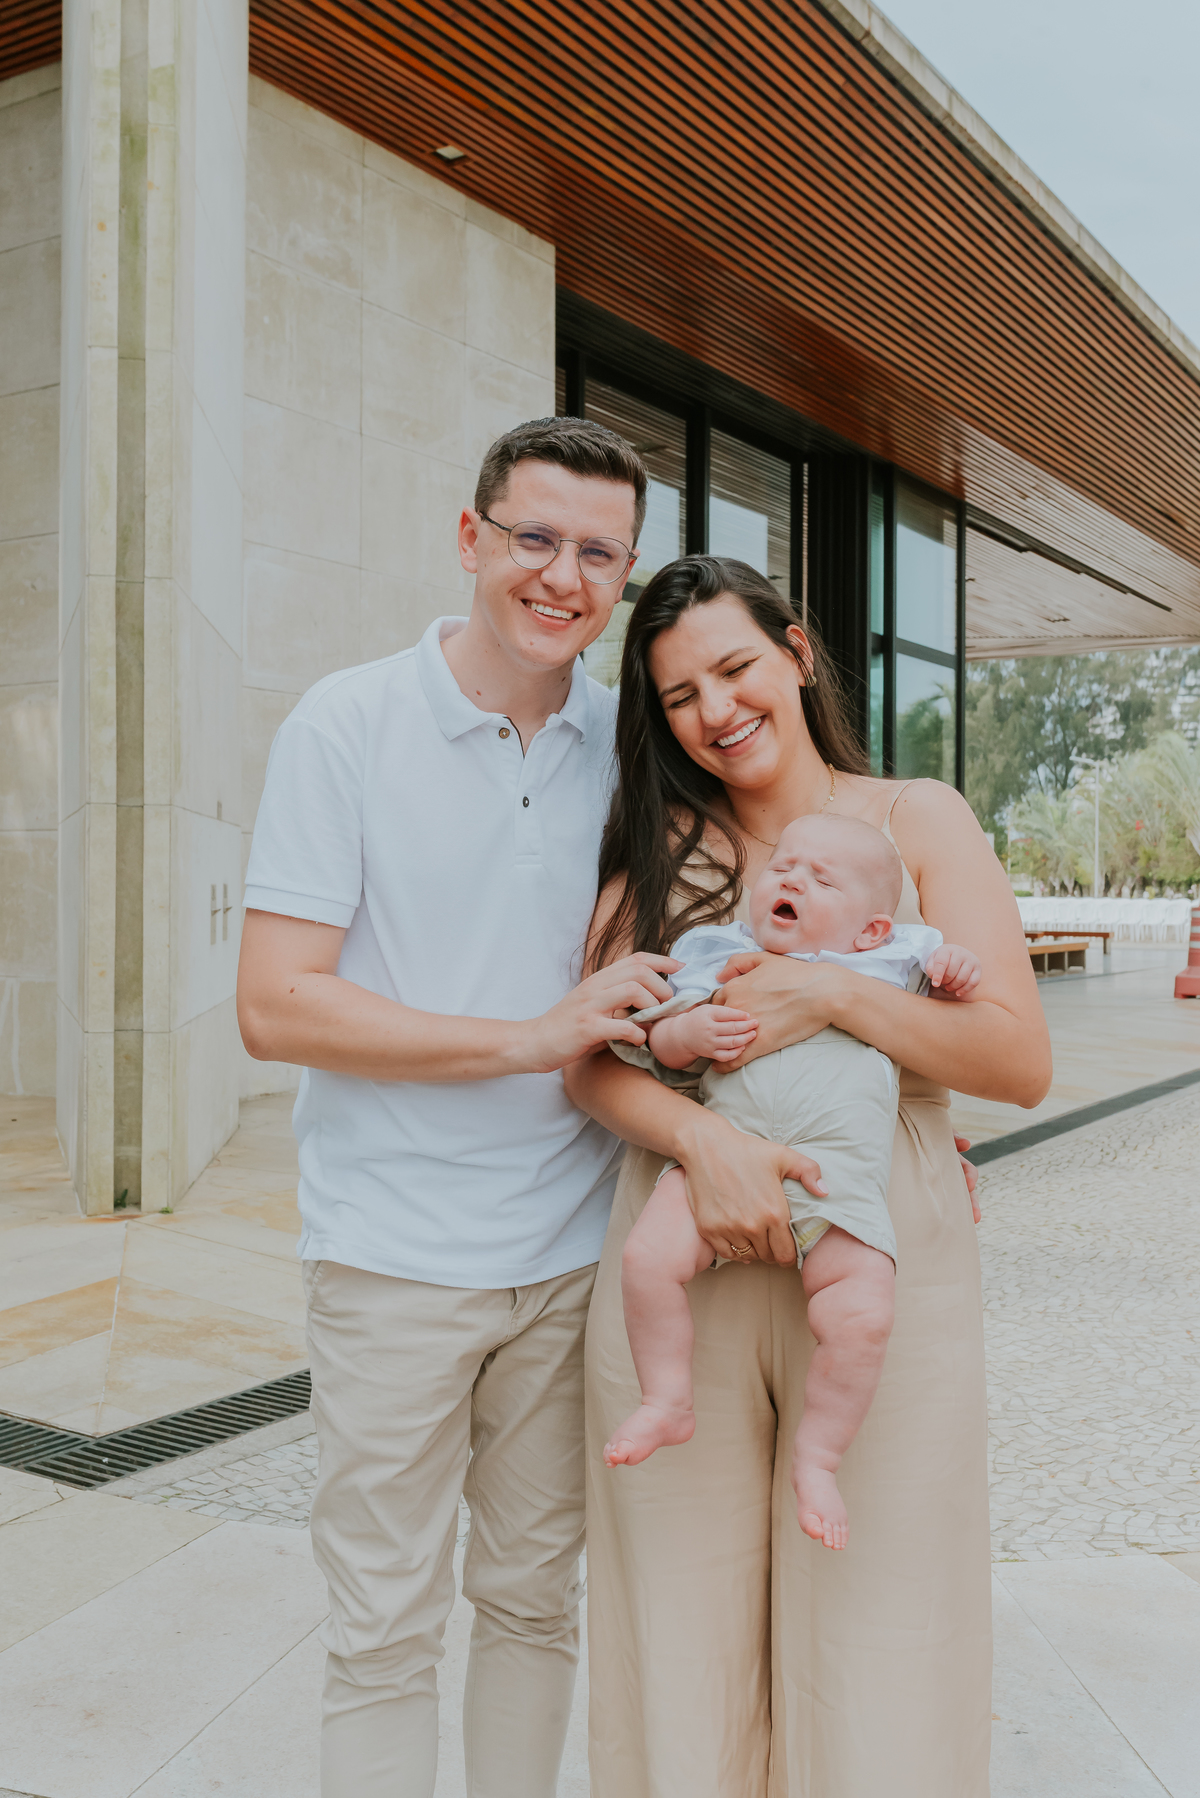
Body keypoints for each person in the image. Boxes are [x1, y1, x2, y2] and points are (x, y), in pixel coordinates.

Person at [236, 416, 681, 1798]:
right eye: (535, 537)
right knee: (381, 1626)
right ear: (471, 535)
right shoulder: (347, 721)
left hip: (566, 1259)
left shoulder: (633, 747)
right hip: (391, 1256)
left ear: (625, 572)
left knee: (535, 1600)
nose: (563, 575)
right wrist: (527, 1038)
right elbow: (278, 1003)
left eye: (597, 552)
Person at [566, 555, 1051, 1797]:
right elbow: (590, 1066)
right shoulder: (660, 845)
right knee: (680, 1629)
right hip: (690, 1226)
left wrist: (829, 990)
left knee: (886, 1625)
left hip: (877, 1248)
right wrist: (705, 1140)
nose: (716, 710)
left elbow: (1016, 1057)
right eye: (678, 696)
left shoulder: (915, 817)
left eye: (734, 668)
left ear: (797, 652)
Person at [603, 813, 982, 1554]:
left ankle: (818, 1455)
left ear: (872, 930)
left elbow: (956, 1003)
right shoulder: (720, 957)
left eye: (820, 878)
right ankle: (667, 1397)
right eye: (783, 868)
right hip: (719, 1163)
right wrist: (689, 1034)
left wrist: (956, 970)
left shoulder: (892, 961)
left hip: (838, 1186)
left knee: (863, 1315)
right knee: (647, 1260)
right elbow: (659, 1043)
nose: (792, 880)